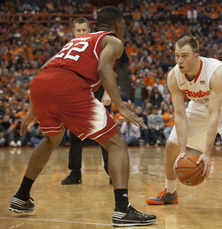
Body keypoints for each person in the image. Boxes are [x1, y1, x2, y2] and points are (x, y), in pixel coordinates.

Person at [8, 6, 156, 227]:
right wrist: (122, 107)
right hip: (68, 86)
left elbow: (44, 68)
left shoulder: (79, 40)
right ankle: (122, 210)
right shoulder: (114, 41)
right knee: (117, 143)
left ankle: (21, 196)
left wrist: (32, 108)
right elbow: (104, 70)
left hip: (41, 84)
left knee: (51, 139)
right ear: (118, 25)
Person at [146, 35, 222, 212]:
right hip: (199, 104)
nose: (179, 60)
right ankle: (170, 192)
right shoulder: (174, 76)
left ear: (196, 56)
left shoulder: (216, 71)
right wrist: (182, 152)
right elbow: (180, 115)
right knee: (171, 146)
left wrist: (206, 153)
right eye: (176, 56)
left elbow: (214, 114)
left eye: (184, 56)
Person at [61, 17, 112, 185]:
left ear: (89, 31)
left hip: (98, 94)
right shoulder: (68, 49)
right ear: (73, 32)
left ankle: (112, 173)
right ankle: (75, 173)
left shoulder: (97, 46)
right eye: (79, 31)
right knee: (74, 136)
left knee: (106, 136)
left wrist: (107, 93)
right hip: (77, 96)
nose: (82, 33)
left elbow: (106, 71)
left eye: (85, 30)